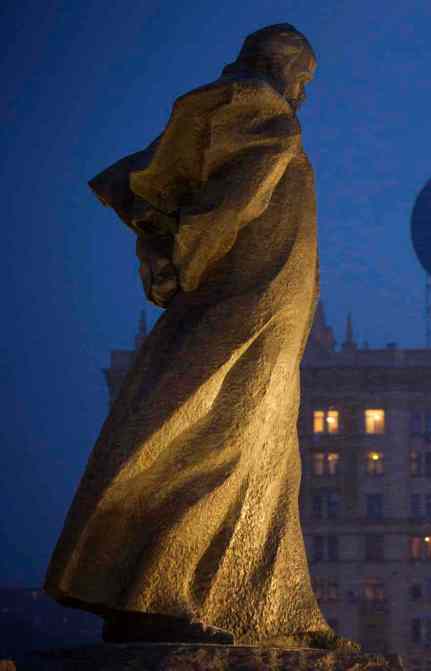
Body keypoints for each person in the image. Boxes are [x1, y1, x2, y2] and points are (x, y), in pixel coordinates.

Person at [45, 24, 339, 649]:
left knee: (262, 459)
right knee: (214, 441)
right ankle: (155, 594)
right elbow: (227, 207)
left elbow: (179, 188)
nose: (304, 96)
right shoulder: (263, 118)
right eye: (303, 79)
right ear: (278, 65)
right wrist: (181, 259)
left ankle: (268, 605)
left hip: (268, 313)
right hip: (249, 309)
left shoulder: (234, 114)